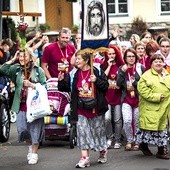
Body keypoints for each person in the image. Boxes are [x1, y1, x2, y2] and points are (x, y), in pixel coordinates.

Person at [58, 50, 109, 168]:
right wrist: (60, 80)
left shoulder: (97, 70)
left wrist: (96, 80)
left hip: (95, 107)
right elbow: (65, 88)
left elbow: (105, 86)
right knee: (82, 131)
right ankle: (85, 157)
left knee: (98, 132)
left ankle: (102, 150)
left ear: (86, 60)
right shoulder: (73, 73)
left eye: (79, 59)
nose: (76, 61)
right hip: (80, 107)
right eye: (76, 59)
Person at [0, 47, 46, 165]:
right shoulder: (16, 70)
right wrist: (13, 59)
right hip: (21, 105)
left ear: (30, 57)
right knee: (22, 130)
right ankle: (30, 145)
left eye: (24, 56)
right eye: (20, 56)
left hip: (35, 106)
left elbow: (44, 86)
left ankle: (34, 152)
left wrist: (32, 85)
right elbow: (2, 70)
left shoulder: (38, 70)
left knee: (35, 130)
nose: (21, 59)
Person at [135, 53, 170, 160]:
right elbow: (143, 91)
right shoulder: (146, 76)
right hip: (152, 108)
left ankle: (159, 149)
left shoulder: (167, 74)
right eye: (156, 61)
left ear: (164, 63)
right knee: (149, 129)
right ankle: (157, 150)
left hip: (166, 108)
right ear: (151, 64)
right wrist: (157, 96)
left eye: (160, 61)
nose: (158, 63)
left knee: (162, 129)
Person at [117, 48, 145, 151]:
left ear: (136, 57)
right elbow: (118, 84)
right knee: (127, 120)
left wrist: (135, 83)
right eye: (129, 56)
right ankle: (130, 140)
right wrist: (122, 72)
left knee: (137, 122)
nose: (131, 58)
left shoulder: (140, 67)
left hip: (138, 99)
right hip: (126, 99)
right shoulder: (122, 68)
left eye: (133, 56)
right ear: (125, 58)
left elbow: (144, 84)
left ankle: (137, 141)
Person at [104, 44, 124, 149]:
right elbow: (103, 77)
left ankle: (117, 139)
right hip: (107, 96)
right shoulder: (104, 64)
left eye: (113, 53)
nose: (111, 56)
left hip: (118, 96)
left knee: (117, 119)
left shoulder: (121, 65)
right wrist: (109, 65)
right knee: (107, 118)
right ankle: (109, 138)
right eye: (109, 54)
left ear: (116, 54)